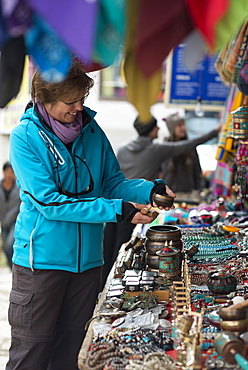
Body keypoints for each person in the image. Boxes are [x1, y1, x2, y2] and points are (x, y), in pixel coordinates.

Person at [6, 60, 175, 370]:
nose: (78, 108)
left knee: (74, 352)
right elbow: (51, 203)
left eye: (82, 99)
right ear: (45, 99)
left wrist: (148, 191)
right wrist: (118, 211)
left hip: (89, 265)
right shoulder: (24, 137)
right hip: (42, 264)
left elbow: (112, 182)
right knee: (32, 354)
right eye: (70, 102)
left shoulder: (91, 129)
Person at [102, 115, 221, 288]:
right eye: (156, 126)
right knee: (124, 249)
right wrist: (215, 131)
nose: (158, 129)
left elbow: (115, 180)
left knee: (109, 249)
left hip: (114, 205)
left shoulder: (122, 149)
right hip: (134, 208)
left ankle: (104, 287)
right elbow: (187, 145)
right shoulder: (155, 149)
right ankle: (115, 286)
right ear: (151, 130)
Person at [161, 112, 205, 199]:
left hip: (188, 194)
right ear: (172, 128)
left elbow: (197, 170)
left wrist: (198, 190)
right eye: (179, 126)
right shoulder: (164, 147)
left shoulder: (189, 147)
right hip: (168, 194)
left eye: (183, 125)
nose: (183, 128)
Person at [0, 161, 20, 269]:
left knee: (10, 244)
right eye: (7, 171)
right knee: (4, 246)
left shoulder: (19, 187)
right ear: (3, 172)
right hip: (3, 221)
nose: (9, 174)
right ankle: (10, 267)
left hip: (14, 220)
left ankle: (14, 268)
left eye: (11, 172)